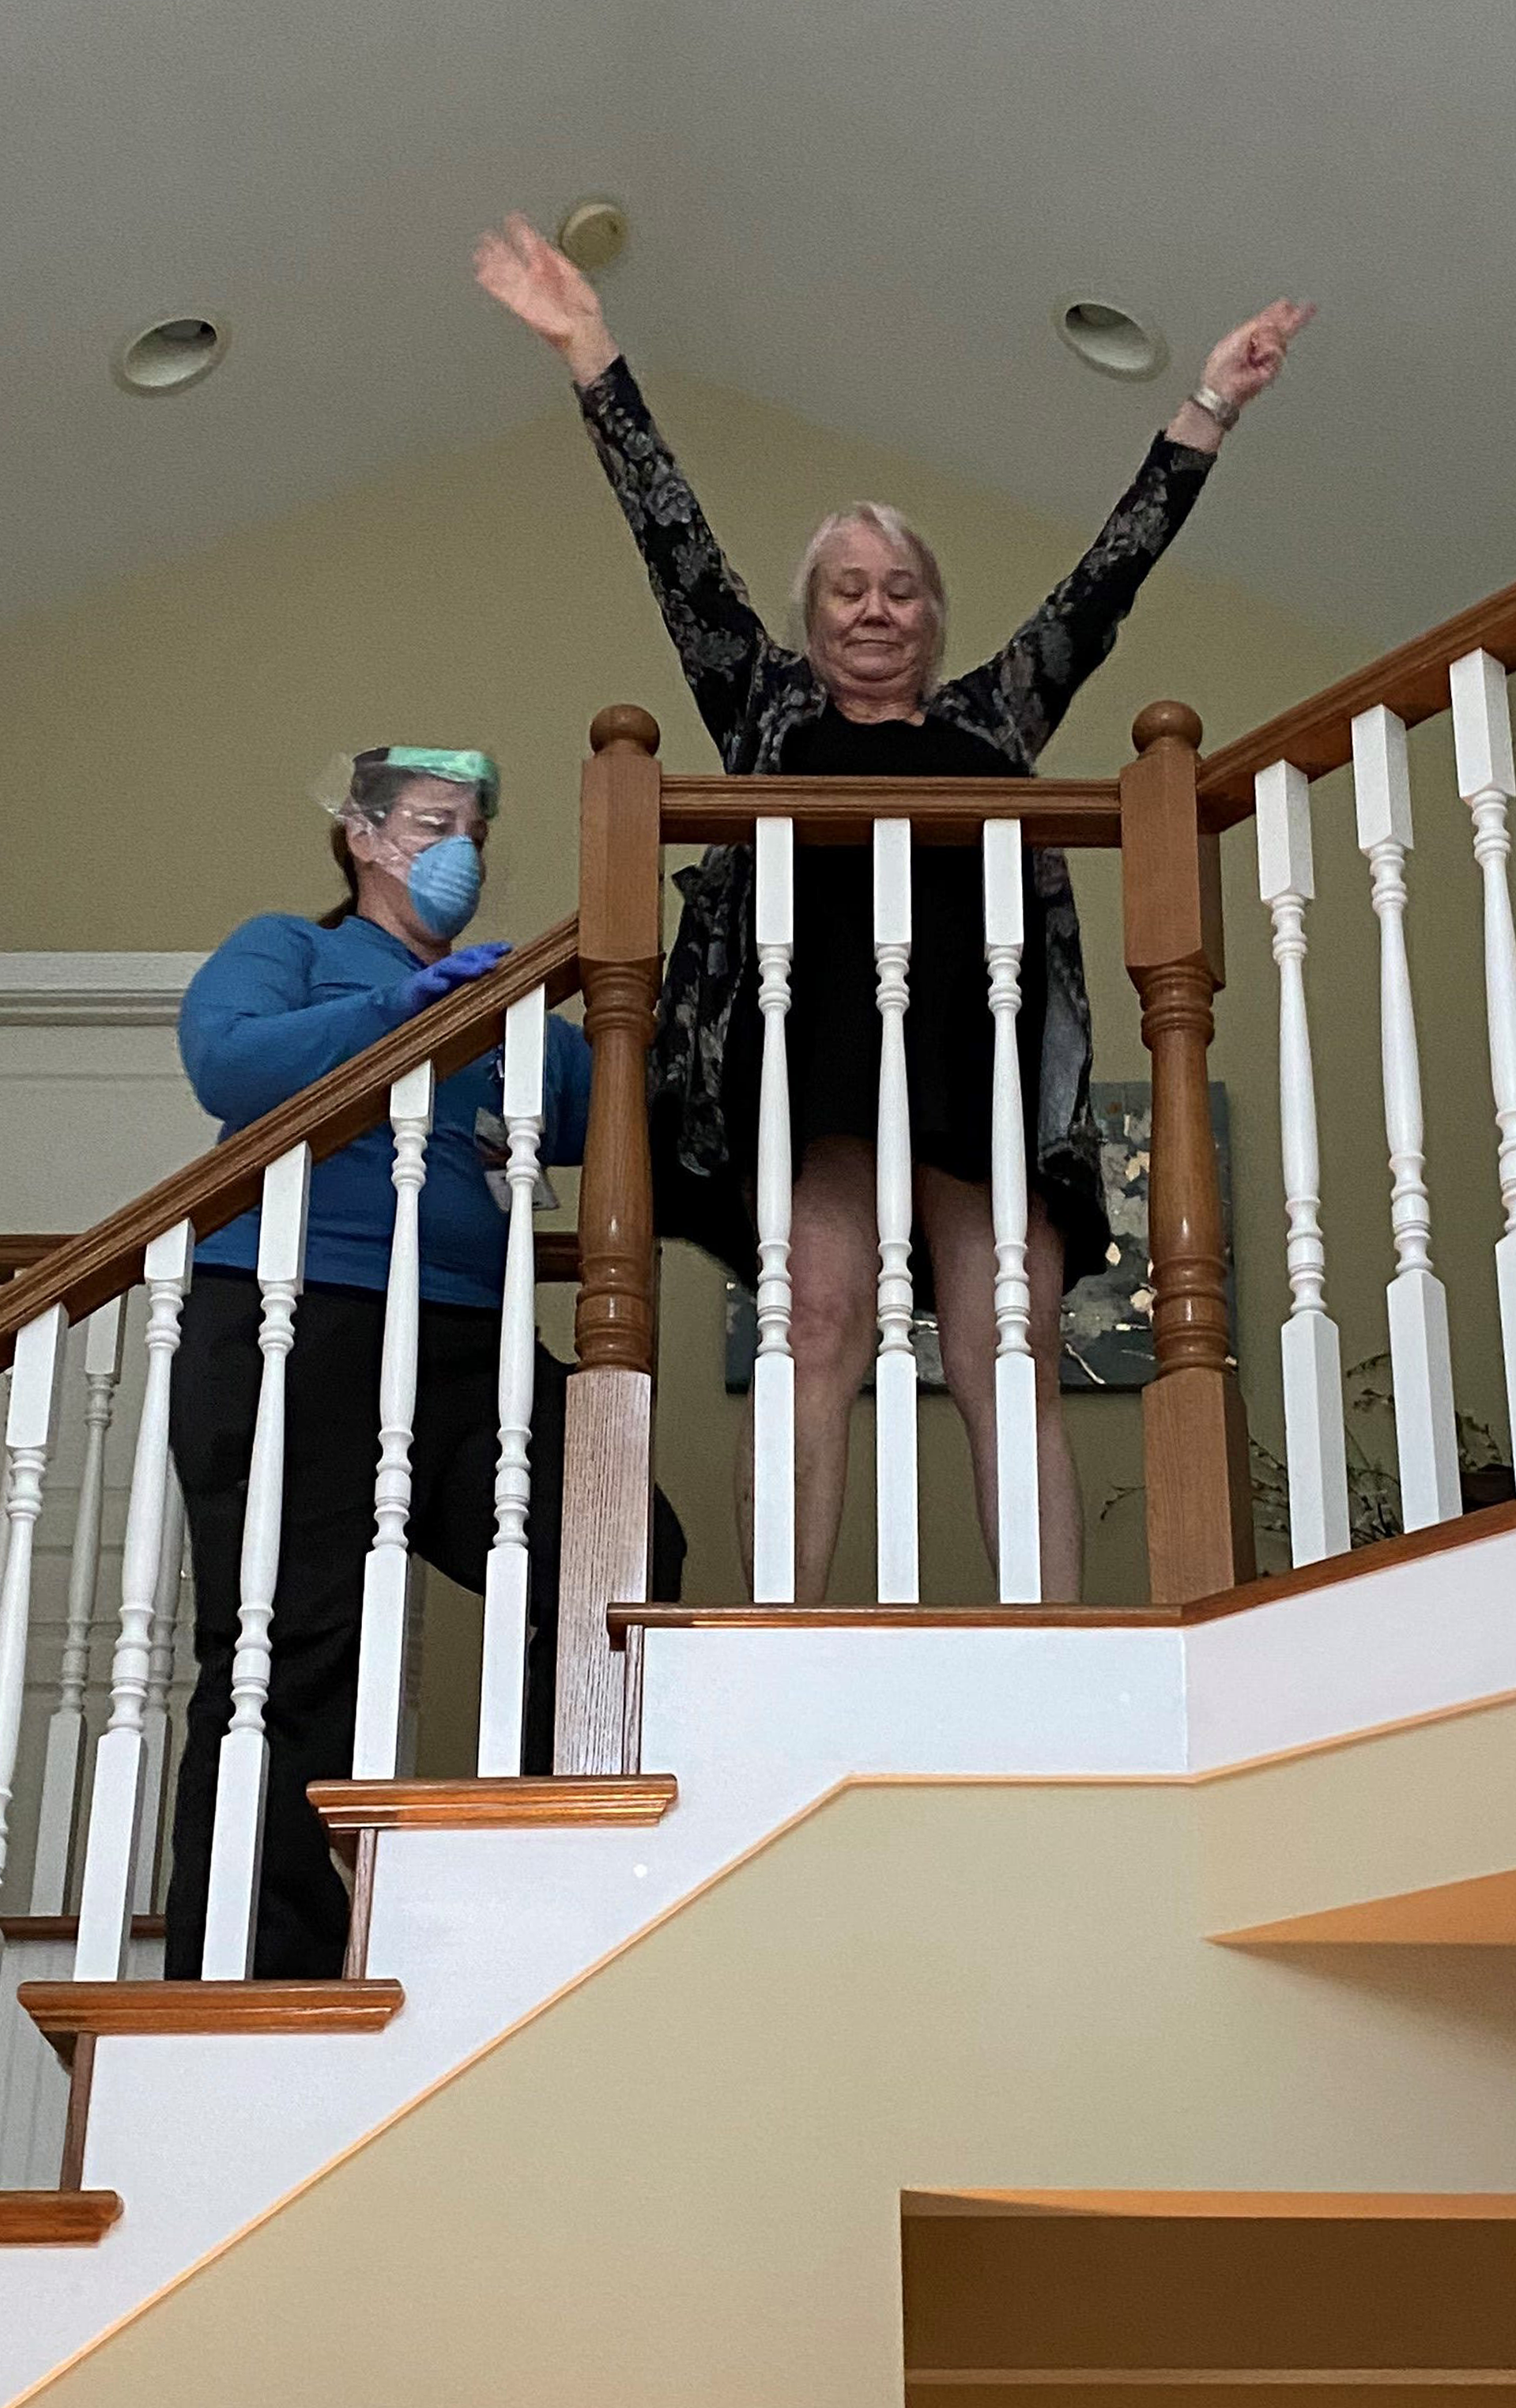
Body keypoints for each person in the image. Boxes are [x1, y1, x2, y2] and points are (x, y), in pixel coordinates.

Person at [476, 215, 1311, 1602]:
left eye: (902, 589)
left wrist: (1208, 402)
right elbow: (671, 543)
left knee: (1012, 1341)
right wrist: (588, 349)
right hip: (816, 1069)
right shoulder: (764, 707)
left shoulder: (993, 716)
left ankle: (1047, 1635)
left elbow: (1106, 580)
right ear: (812, 617)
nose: (876, 609)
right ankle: (783, 1631)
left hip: (976, 1064)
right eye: (848, 589)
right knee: (812, 1323)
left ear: (932, 615)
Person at [164, 745, 685, 1980]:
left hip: (469, 1341)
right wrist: (398, 1015)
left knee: (615, 1541)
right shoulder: (291, 947)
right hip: (295, 1323)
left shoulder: (510, 1003)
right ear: (361, 834)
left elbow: (626, 1109)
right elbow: (224, 1060)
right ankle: (253, 1962)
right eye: (430, 822)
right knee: (286, 1644)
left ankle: (539, 1858)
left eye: (474, 827)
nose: (459, 846)